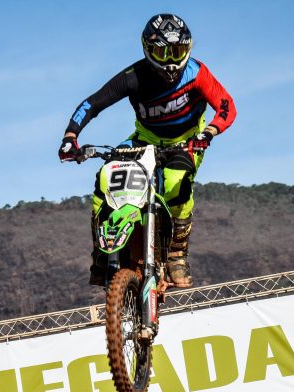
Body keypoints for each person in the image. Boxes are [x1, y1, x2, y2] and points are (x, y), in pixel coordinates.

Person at [58, 13, 237, 288]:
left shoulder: (197, 73)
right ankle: (101, 253)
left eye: (177, 51)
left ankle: (177, 253)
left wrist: (208, 133)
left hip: (187, 141)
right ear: (148, 50)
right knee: (106, 176)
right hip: (144, 140)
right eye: (163, 53)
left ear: (188, 48)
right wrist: (71, 136)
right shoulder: (134, 76)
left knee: (176, 183)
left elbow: (226, 105)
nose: (171, 61)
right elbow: (92, 104)